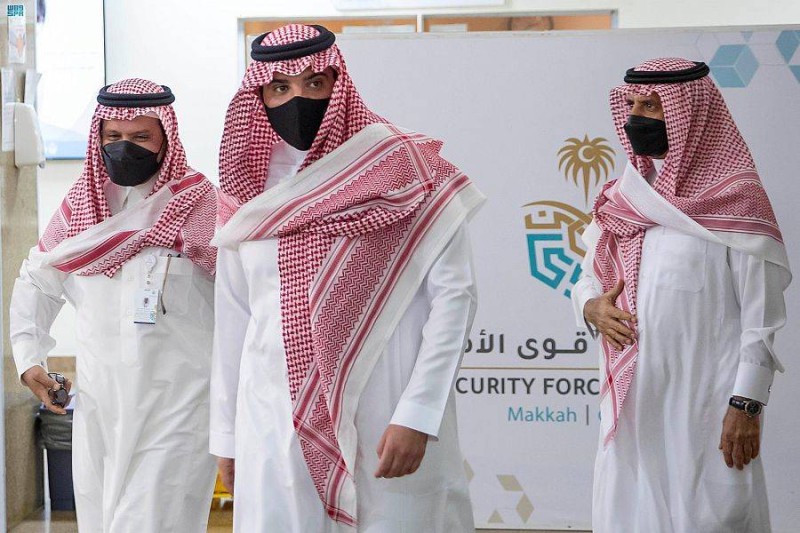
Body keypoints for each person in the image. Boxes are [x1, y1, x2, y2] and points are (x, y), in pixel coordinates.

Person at [210, 24, 484, 532]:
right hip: (273, 416)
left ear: (339, 85)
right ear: (260, 96)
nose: (298, 99)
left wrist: (418, 412)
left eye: (315, 84)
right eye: (280, 88)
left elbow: (455, 300)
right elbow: (234, 318)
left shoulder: (404, 169)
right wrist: (227, 436)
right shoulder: (246, 190)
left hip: (385, 406)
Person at [572, 58, 791, 532]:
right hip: (635, 403)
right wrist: (591, 306)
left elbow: (762, 319)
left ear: (690, 115)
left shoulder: (737, 199)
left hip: (708, 405)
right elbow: (587, 276)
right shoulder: (626, 195)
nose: (636, 117)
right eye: (632, 104)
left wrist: (746, 404)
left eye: (651, 106)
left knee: (715, 516)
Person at [10, 79, 219, 532]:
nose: (125, 147)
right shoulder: (81, 209)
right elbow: (38, 279)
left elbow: (244, 298)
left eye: (141, 136)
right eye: (114, 136)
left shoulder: (201, 205)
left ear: (166, 138)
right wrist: (29, 358)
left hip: (180, 408)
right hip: (101, 408)